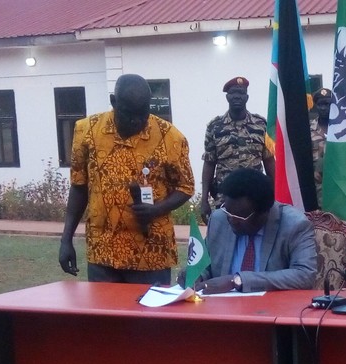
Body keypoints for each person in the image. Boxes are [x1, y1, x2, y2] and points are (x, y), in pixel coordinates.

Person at [58, 73, 195, 285]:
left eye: (143, 114)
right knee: (106, 318)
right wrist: (66, 238)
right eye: (129, 114)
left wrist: (156, 209)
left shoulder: (171, 137)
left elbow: (186, 187)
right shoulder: (86, 131)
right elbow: (78, 187)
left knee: (150, 318)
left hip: (151, 254)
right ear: (113, 102)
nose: (136, 121)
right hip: (103, 252)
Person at [179, 168, 317, 293]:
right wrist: (197, 275)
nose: (232, 220)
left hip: (269, 311)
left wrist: (237, 281)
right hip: (221, 310)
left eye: (239, 216)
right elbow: (208, 264)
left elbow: (305, 275)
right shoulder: (219, 219)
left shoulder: (294, 225)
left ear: (264, 212)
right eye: (228, 211)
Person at [201, 76, 276, 223]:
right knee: (226, 240)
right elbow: (209, 163)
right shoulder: (215, 126)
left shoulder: (261, 125)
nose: (237, 97)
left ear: (247, 97)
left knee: (256, 238)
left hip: (255, 195)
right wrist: (204, 199)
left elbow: (269, 161)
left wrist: (275, 194)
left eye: (241, 93)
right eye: (233, 93)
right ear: (227, 97)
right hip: (225, 197)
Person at [309, 88, 331, 207]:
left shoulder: (341, 130)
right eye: (320, 104)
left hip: (337, 182)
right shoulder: (308, 129)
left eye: (327, 104)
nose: (323, 108)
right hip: (315, 185)